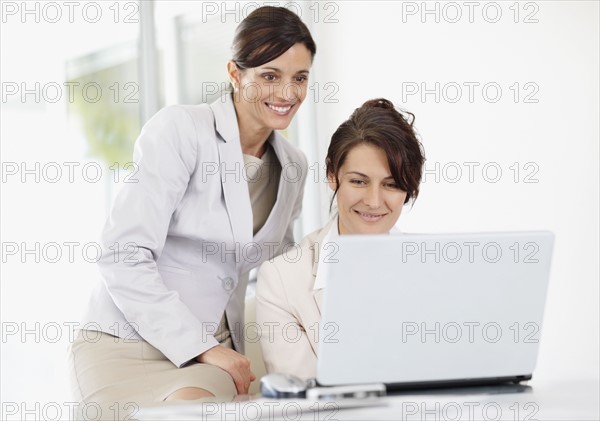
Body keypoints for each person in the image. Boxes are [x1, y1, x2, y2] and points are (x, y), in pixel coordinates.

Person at [68, 6, 317, 413]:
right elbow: (121, 254)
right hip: (123, 344)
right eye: (270, 76)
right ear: (235, 75)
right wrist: (199, 346)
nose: (287, 94)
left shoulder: (293, 167)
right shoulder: (180, 130)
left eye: (300, 78)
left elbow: (278, 274)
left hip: (211, 357)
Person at [256, 98, 425, 379]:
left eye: (391, 184)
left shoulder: (431, 269)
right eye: (358, 181)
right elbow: (305, 399)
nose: (373, 201)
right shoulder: (282, 279)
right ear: (332, 176)